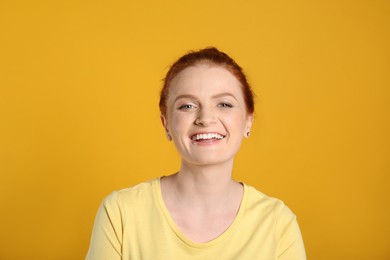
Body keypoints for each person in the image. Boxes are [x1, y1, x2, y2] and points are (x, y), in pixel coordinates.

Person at [86, 47, 306, 260]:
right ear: (166, 124)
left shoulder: (277, 223)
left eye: (224, 104)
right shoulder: (121, 213)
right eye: (187, 106)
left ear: (248, 121)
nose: (205, 118)